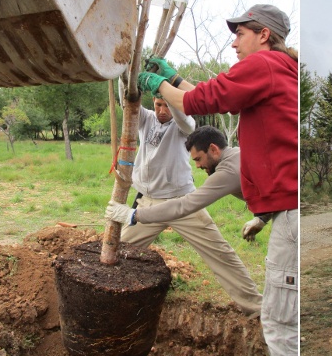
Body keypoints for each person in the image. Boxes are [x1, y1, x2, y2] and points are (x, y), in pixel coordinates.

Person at [137, 4, 298, 356]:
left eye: (240, 34)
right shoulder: (278, 70)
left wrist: (158, 85)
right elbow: (213, 92)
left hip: (290, 214)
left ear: (263, 35)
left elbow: (202, 101)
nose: (233, 44)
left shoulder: (265, 64)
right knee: (280, 314)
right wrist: (175, 79)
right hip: (285, 211)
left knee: (281, 321)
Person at [106, 95, 262, 316]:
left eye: (167, 105)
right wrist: (127, 72)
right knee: (117, 251)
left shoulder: (183, 125)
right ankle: (109, 300)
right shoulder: (145, 119)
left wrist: (167, 89)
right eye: (158, 104)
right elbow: (128, 98)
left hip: (183, 203)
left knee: (220, 254)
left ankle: (256, 308)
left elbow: (185, 119)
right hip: (149, 201)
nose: (162, 110)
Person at [106, 124, 272, 240]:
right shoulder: (237, 154)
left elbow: (184, 205)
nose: (198, 166)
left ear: (214, 149)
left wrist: (134, 215)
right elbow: (268, 188)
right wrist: (262, 217)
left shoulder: (227, 172)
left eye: (198, 159)